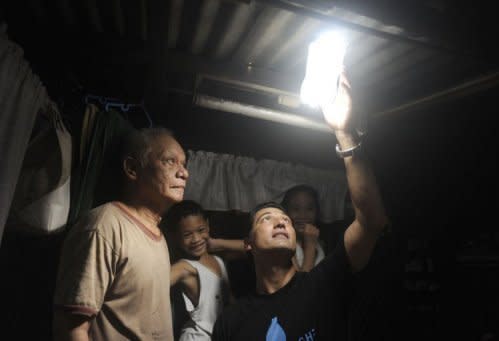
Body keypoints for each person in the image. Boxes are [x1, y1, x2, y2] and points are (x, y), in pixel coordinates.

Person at [212, 72, 390, 340]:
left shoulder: (324, 282)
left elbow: (371, 221)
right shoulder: (232, 321)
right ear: (248, 243)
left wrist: (344, 134)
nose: (282, 221)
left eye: (284, 218)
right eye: (266, 219)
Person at [53, 127, 188, 340]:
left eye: (184, 163)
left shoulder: (158, 237)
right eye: (169, 161)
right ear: (133, 168)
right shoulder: (104, 226)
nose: (184, 172)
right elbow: (72, 329)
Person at [163, 200, 239, 340]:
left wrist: (217, 243)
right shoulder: (184, 267)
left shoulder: (218, 261)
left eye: (201, 230)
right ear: (176, 237)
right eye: (187, 235)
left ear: (208, 226)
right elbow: (152, 288)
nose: (196, 239)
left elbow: (252, 247)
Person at [281, 185, 326, 271]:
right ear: (286, 212)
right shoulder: (286, 245)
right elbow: (302, 283)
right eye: (296, 209)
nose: (303, 215)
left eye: (310, 209)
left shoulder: (319, 242)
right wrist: (310, 246)